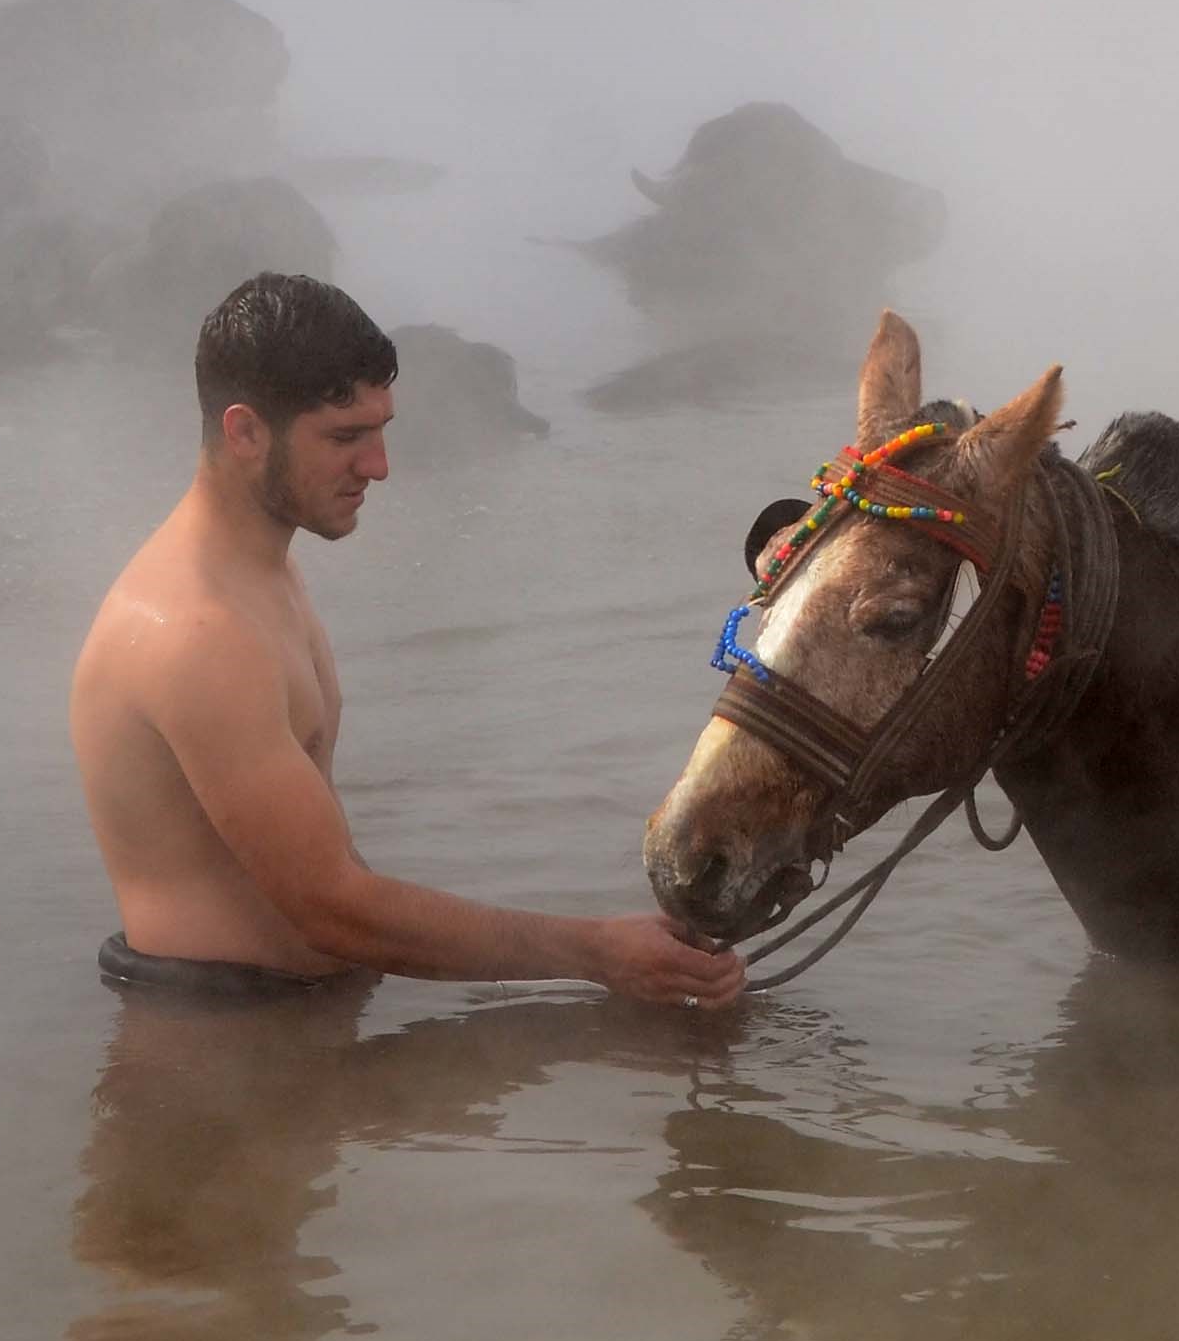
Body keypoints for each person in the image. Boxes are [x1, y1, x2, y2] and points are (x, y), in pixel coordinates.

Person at [72, 273, 745, 1005]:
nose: (378, 467)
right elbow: (329, 908)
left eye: (381, 430)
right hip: (215, 1055)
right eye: (345, 438)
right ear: (244, 432)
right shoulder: (199, 633)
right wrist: (597, 953)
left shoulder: (265, 577)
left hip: (294, 1024)